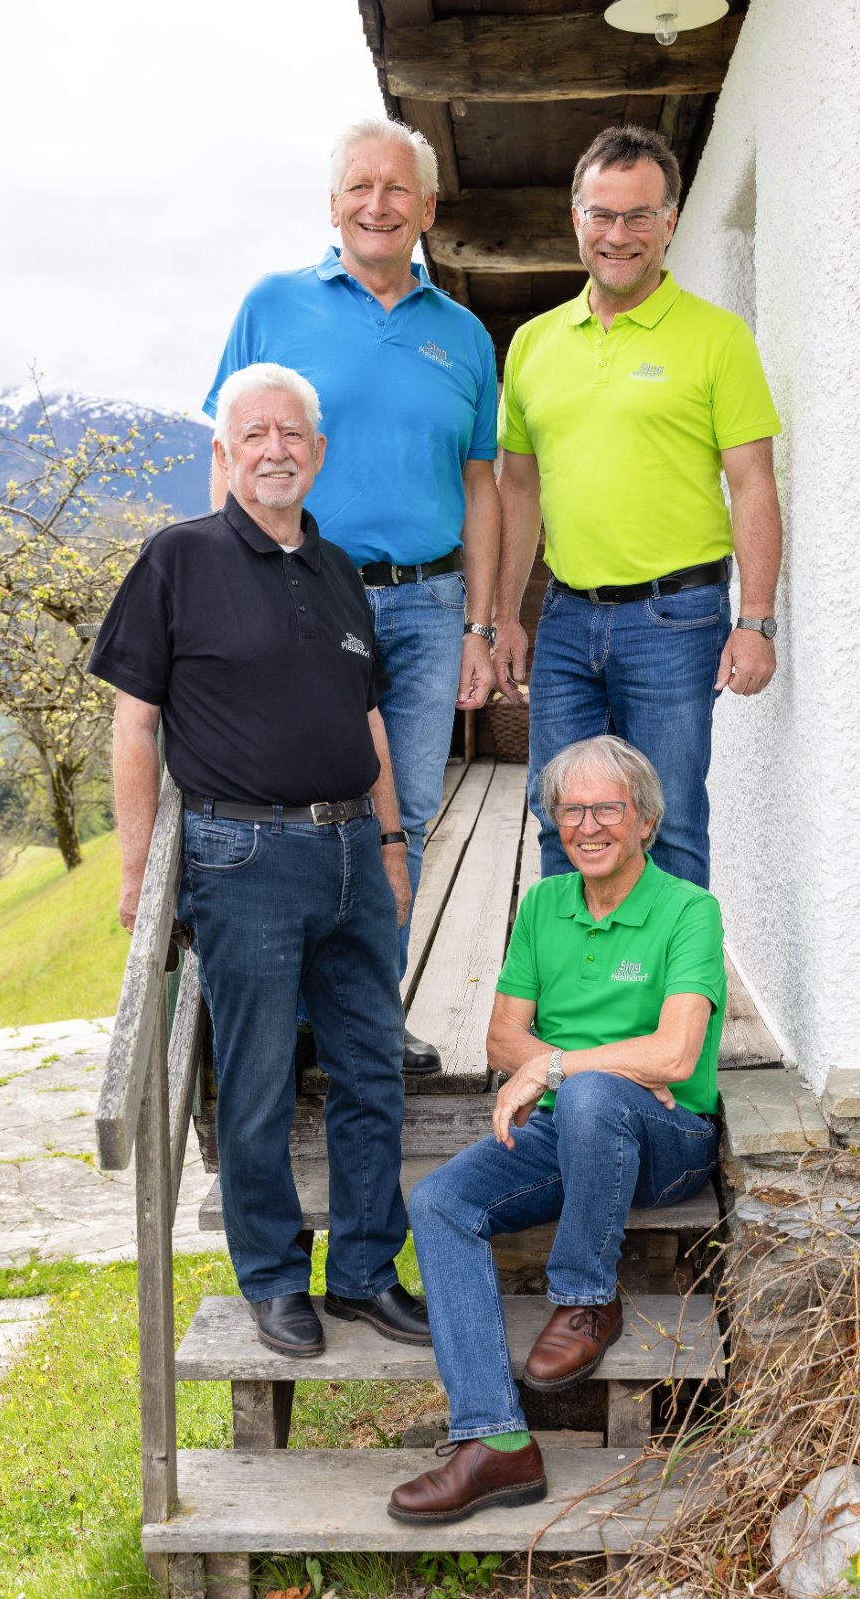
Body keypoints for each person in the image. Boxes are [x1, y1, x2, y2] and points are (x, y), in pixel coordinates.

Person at [88, 364, 430, 1357]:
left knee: (371, 1073)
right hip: (243, 856)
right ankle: (275, 1280)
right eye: (254, 435)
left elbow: (367, 718)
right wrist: (139, 872)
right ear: (225, 453)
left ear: (317, 452)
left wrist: (391, 843)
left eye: (292, 434)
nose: (275, 450)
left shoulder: (337, 569)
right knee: (257, 1084)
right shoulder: (177, 558)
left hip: (351, 853)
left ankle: (364, 1274)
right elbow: (135, 725)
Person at [204, 116, 501, 1075]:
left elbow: (482, 484)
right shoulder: (272, 303)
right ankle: (295, 1025)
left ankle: (369, 1017)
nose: (379, 204)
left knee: (403, 812)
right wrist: (225, 590)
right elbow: (229, 452)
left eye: (398, 188)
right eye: (360, 188)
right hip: (299, 595)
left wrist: (482, 623)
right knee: (295, 802)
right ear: (333, 205)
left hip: (427, 605)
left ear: (428, 208)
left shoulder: (462, 335)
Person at [388, 736, 725, 1524]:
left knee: (593, 1095)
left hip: (669, 1141)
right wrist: (568, 1070)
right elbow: (500, 1040)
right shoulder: (544, 905)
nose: (587, 825)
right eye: (571, 811)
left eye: (606, 808)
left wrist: (556, 1069)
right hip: (568, 1126)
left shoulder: (688, 910)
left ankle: (584, 1298)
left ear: (644, 820)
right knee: (439, 1201)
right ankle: (495, 1442)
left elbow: (674, 1057)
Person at [493, 124, 783, 890]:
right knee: (560, 815)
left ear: (670, 222)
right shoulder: (532, 344)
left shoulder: (717, 338)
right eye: (601, 214)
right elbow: (516, 488)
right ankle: (576, 972)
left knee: (670, 821)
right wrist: (503, 617)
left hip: (675, 622)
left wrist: (756, 620)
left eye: (638, 216)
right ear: (575, 217)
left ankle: (677, 977)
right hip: (564, 619)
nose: (617, 235)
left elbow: (753, 481)